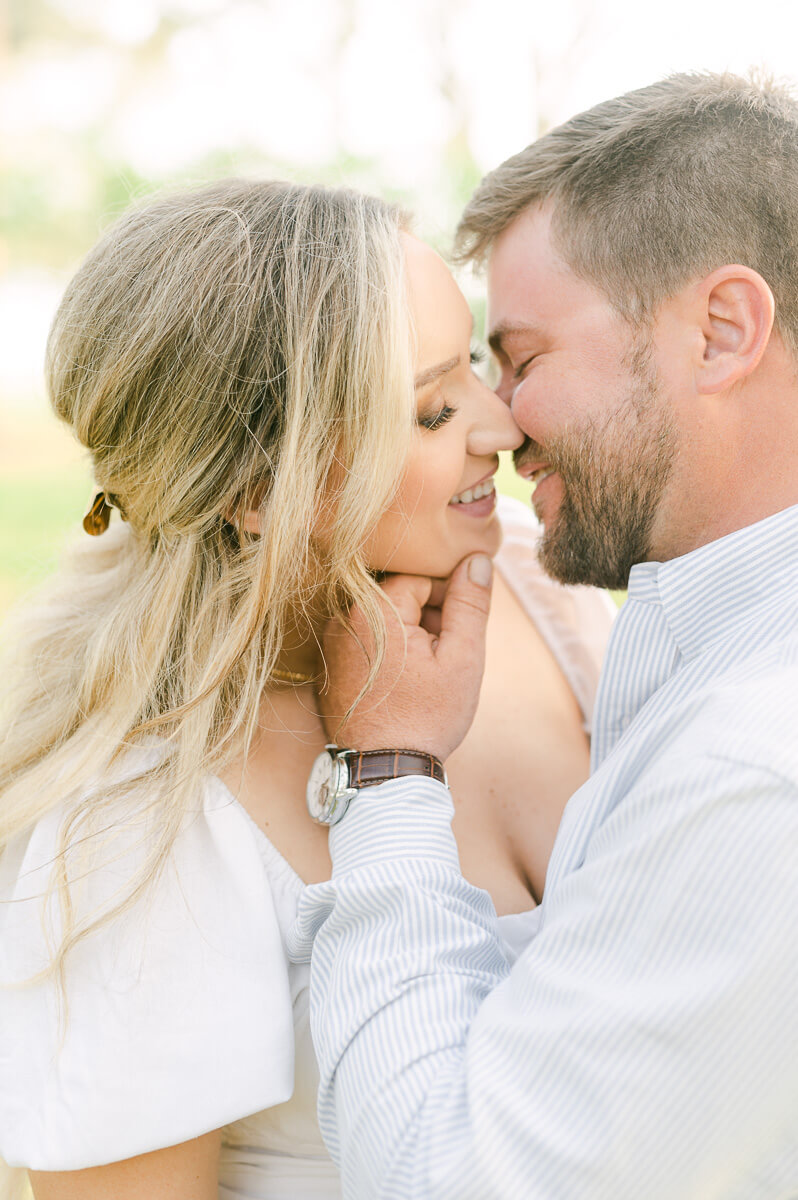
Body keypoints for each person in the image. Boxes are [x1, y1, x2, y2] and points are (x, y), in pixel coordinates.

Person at [0, 180, 615, 1199]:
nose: (501, 426)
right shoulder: (135, 826)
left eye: (472, 364)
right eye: (430, 410)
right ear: (254, 490)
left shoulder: (532, 580)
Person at [288, 71, 798, 1199]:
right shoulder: (708, 649)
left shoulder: (754, 767)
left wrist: (390, 776)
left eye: (521, 359)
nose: (501, 423)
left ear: (722, 332)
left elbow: (449, 1177)